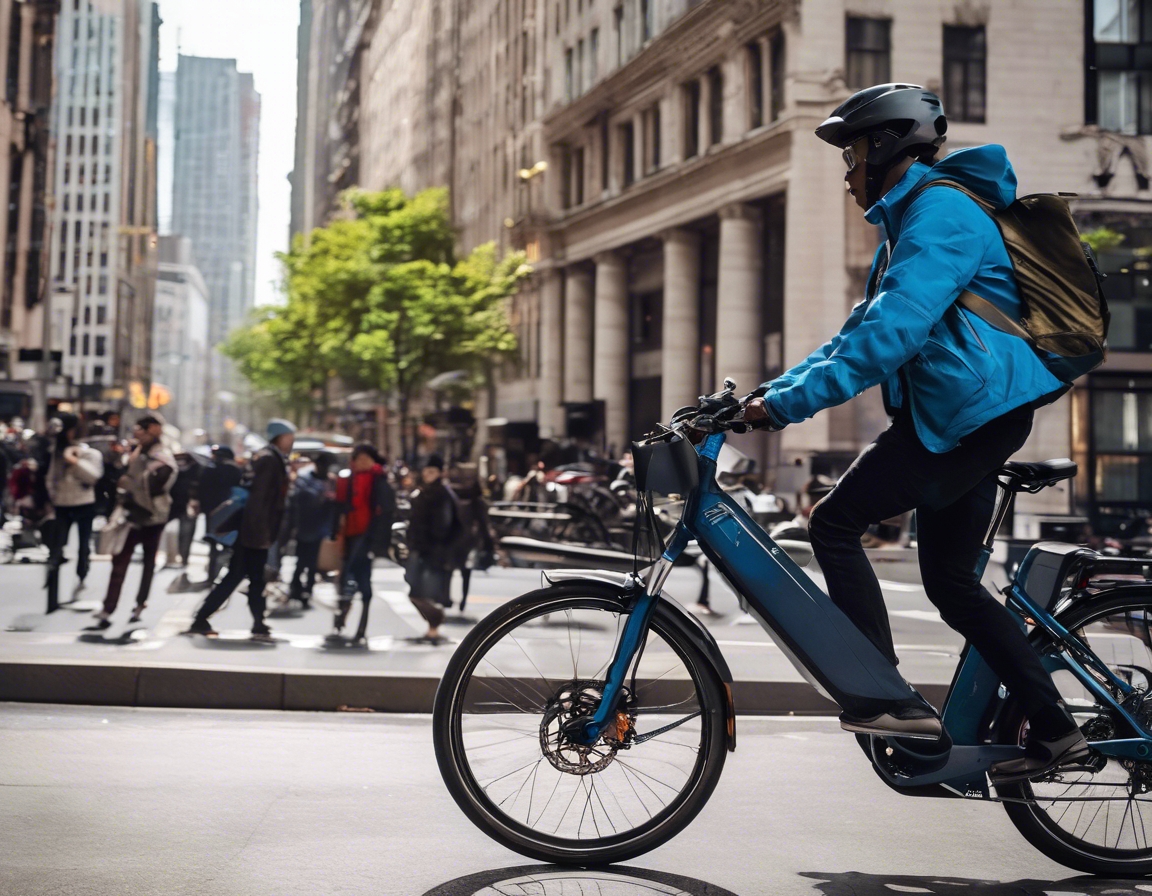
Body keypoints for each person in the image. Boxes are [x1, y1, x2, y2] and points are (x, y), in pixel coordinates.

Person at [741, 83, 1087, 781]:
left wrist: (781, 412)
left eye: (853, 152)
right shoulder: (910, 223)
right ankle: (1056, 730)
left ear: (887, 147)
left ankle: (883, 693)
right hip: (960, 417)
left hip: (968, 420)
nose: (846, 170)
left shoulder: (941, 215)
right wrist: (763, 398)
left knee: (833, 523)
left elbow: (890, 339)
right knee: (953, 584)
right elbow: (855, 335)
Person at [185, 420, 295, 640]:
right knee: (241, 576)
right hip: (254, 531)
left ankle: (257, 623)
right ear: (280, 437)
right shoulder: (269, 459)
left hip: (255, 529)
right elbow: (259, 499)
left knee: (250, 577)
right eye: (290, 438)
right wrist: (259, 532)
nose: (291, 443)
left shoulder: (266, 457)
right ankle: (205, 618)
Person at [91, 414, 177, 629]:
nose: (137, 433)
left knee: (148, 562)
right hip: (130, 513)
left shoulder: (161, 454)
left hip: (152, 515)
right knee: (120, 560)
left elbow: (161, 481)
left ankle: (139, 604)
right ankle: (108, 607)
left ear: (154, 430)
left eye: (141, 429)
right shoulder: (136, 450)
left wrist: (134, 485)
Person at [332, 444, 395, 642]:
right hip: (348, 535)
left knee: (354, 576)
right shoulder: (347, 479)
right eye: (359, 458)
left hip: (367, 537)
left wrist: (378, 543)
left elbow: (386, 512)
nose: (362, 462)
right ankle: (349, 618)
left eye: (366, 458)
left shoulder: (380, 480)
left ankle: (352, 620)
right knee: (357, 578)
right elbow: (340, 506)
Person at [44, 413, 104, 611]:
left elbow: (94, 476)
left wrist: (75, 462)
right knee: (58, 542)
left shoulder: (90, 453)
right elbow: (51, 476)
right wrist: (52, 497)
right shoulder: (56, 452)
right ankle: (53, 571)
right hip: (62, 503)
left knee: (83, 542)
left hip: (84, 503)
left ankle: (82, 571)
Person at [405, 454, 460, 644]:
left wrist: (435, 546)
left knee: (423, 591)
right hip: (421, 548)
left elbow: (443, 526)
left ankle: (434, 625)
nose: (428, 474)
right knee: (415, 588)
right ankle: (434, 621)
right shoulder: (424, 492)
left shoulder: (441, 494)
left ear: (440, 472)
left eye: (432, 471)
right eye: (426, 470)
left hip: (433, 550)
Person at [288, 451, 336, 608]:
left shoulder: (330, 481)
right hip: (305, 525)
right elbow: (298, 500)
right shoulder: (305, 480)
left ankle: (307, 590)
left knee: (313, 563)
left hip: (321, 528)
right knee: (302, 561)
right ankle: (296, 588)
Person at [448, 466, 495, 614]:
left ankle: (449, 598)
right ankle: (462, 600)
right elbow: (483, 523)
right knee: (465, 572)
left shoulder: (452, 496)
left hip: (454, 538)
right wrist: (489, 544)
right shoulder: (477, 501)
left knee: (450, 570)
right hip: (469, 540)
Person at [195, 445, 243, 588]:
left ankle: (212, 576)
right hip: (229, 511)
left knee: (213, 544)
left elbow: (201, 489)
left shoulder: (209, 468)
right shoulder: (235, 469)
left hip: (212, 512)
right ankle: (224, 576)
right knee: (227, 543)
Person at [165, 451, 202, 568]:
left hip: (188, 505)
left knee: (186, 534)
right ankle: (173, 557)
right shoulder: (170, 468)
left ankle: (183, 558)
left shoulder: (197, 470)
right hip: (172, 504)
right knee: (169, 533)